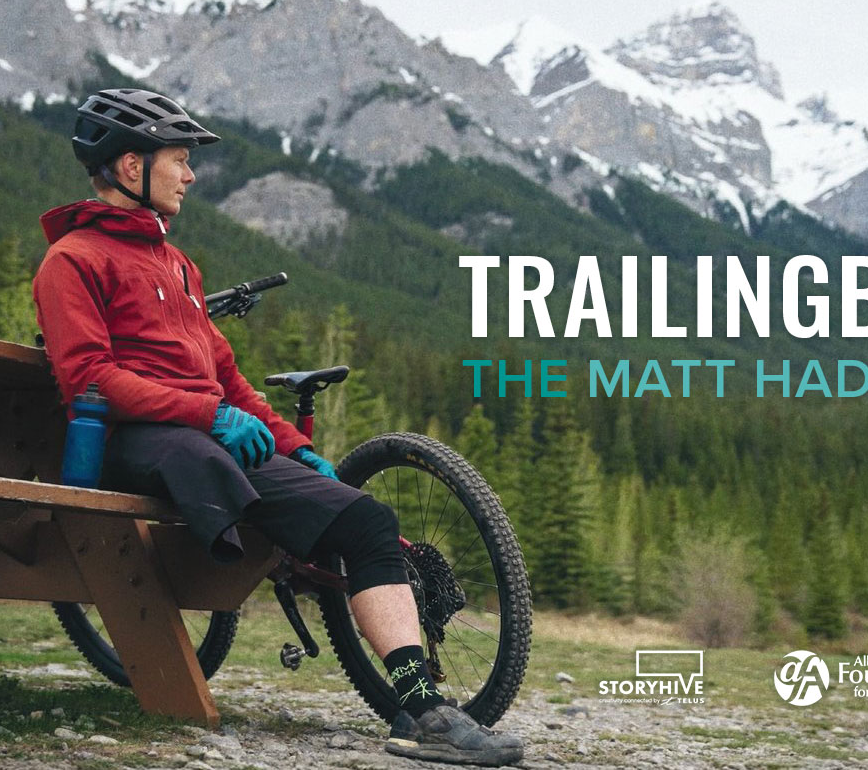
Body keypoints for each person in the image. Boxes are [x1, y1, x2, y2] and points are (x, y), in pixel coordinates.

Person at [32, 88, 523, 767]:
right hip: (137, 439)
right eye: (179, 159)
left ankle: (421, 709)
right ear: (130, 165)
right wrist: (209, 414)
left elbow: (228, 378)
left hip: (202, 437)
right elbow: (90, 378)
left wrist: (296, 450)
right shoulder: (72, 260)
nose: (190, 174)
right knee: (203, 457)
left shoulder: (177, 264)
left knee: (368, 521)